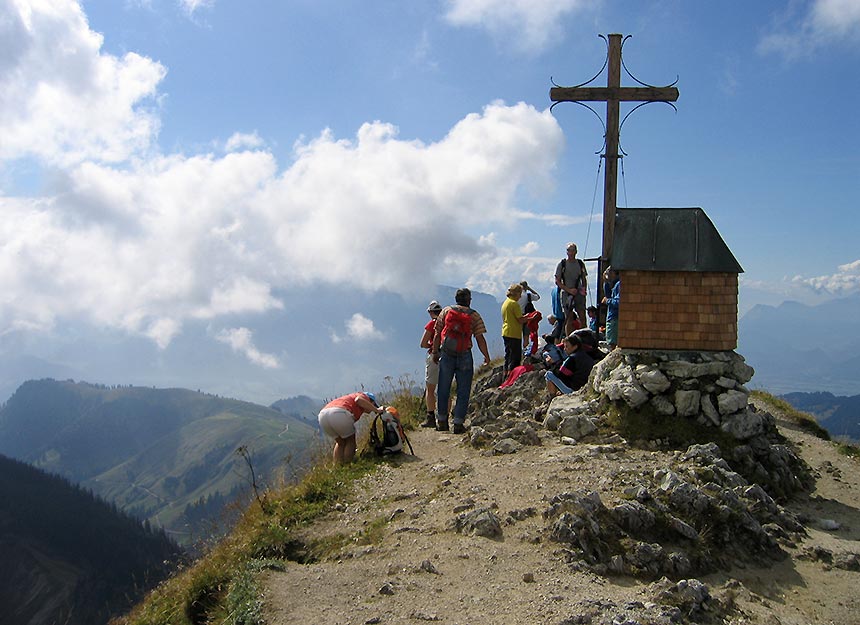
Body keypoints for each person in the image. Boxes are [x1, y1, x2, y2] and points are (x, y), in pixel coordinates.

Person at [432, 288, 491, 434]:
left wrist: (435, 351)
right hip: (465, 354)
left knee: (443, 388)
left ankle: (441, 421)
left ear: (456, 299)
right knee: (463, 390)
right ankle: (458, 423)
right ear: (469, 300)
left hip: (446, 354)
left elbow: (437, 333)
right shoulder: (474, 315)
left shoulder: (446, 311)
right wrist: (486, 356)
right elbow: (480, 338)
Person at [317, 391, 383, 464]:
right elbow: (358, 400)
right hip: (339, 413)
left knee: (340, 442)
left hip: (322, 416)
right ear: (370, 401)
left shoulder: (349, 397)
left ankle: (338, 466)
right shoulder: (362, 395)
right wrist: (377, 410)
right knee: (350, 441)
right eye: (373, 404)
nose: (371, 409)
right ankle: (348, 464)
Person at [419, 300, 443, 428]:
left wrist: (431, 346)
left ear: (430, 312)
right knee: (446, 389)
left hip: (434, 357)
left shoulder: (431, 324)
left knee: (431, 389)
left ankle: (431, 417)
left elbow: (422, 343)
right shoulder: (447, 323)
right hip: (447, 357)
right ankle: (444, 417)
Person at [555, 243, 588, 337]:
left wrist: (583, 289)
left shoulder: (580, 263)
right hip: (566, 293)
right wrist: (569, 290)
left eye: (572, 250)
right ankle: (569, 340)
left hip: (579, 293)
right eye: (569, 250)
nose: (571, 252)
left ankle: (584, 338)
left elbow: (584, 278)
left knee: (582, 316)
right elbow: (557, 281)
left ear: (576, 252)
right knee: (569, 318)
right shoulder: (562, 264)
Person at [501, 283, 528, 377]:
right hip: (514, 333)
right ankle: (513, 377)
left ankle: (505, 375)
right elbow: (520, 320)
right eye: (519, 293)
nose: (520, 296)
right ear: (516, 293)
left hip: (506, 331)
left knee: (508, 356)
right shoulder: (514, 304)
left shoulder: (506, 302)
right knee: (515, 357)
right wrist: (530, 318)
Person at [602, 267, 621, 349]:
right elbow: (608, 295)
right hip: (612, 317)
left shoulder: (619, 284)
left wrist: (607, 301)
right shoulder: (615, 284)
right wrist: (606, 282)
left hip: (614, 318)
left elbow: (618, 302)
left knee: (612, 344)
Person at [518, 280, 540, 348]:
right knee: (526, 336)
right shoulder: (528, 296)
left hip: (518, 316)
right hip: (527, 317)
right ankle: (525, 351)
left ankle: (518, 352)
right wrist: (530, 289)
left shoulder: (516, 296)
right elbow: (538, 296)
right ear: (526, 287)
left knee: (517, 336)